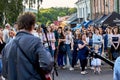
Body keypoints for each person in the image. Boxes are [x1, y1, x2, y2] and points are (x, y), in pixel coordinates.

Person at [2, 12, 54, 80]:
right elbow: (47, 64)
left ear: (19, 25)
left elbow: (5, 73)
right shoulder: (36, 41)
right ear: (32, 26)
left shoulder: (7, 46)